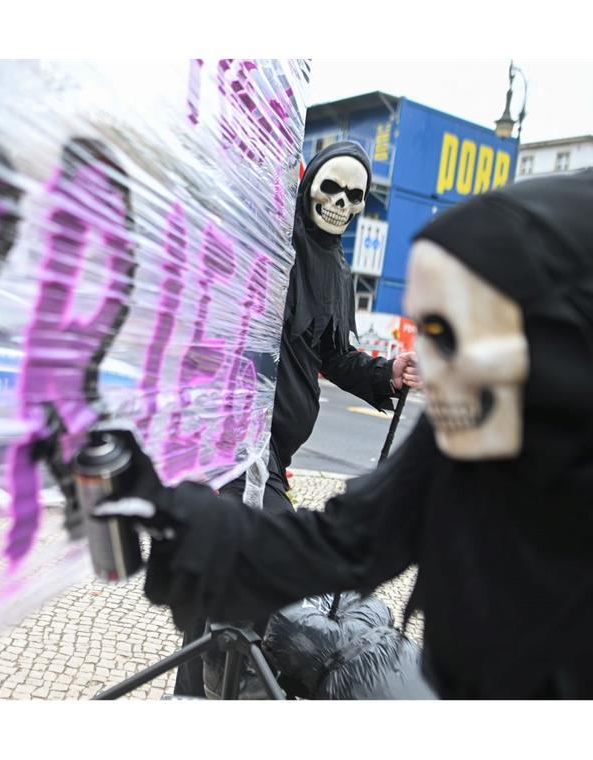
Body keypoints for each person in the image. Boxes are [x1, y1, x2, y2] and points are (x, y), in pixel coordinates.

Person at [98, 171, 593, 698]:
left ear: (555, 322)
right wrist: (166, 514)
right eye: (428, 329)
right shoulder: (481, 426)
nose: (435, 363)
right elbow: (340, 543)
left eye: (451, 331)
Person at [174, 141, 420, 697]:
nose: (339, 202)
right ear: (308, 183)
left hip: (274, 460)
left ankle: (211, 690)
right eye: (330, 186)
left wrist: (387, 375)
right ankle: (198, 693)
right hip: (233, 445)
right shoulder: (272, 243)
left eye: (354, 196)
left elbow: (333, 355)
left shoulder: (334, 267)